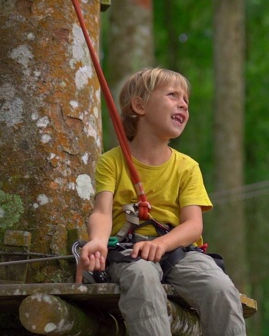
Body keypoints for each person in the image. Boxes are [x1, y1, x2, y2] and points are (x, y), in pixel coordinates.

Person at [80, 67, 246, 335]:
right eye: (172, 95)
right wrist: (98, 241)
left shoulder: (187, 167)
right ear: (139, 105)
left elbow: (193, 226)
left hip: (179, 252)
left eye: (186, 102)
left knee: (221, 289)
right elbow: (102, 212)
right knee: (141, 277)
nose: (183, 104)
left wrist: (162, 244)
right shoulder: (112, 161)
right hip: (130, 252)